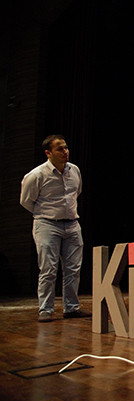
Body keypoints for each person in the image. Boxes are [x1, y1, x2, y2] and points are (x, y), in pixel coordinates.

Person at [20, 135, 90, 322]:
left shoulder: (74, 170)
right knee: (48, 269)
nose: (65, 151)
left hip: (72, 224)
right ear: (48, 153)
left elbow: (76, 193)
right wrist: (46, 213)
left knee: (73, 269)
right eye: (60, 149)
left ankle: (71, 307)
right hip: (47, 224)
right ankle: (46, 309)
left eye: (66, 147)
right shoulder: (37, 175)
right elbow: (26, 201)